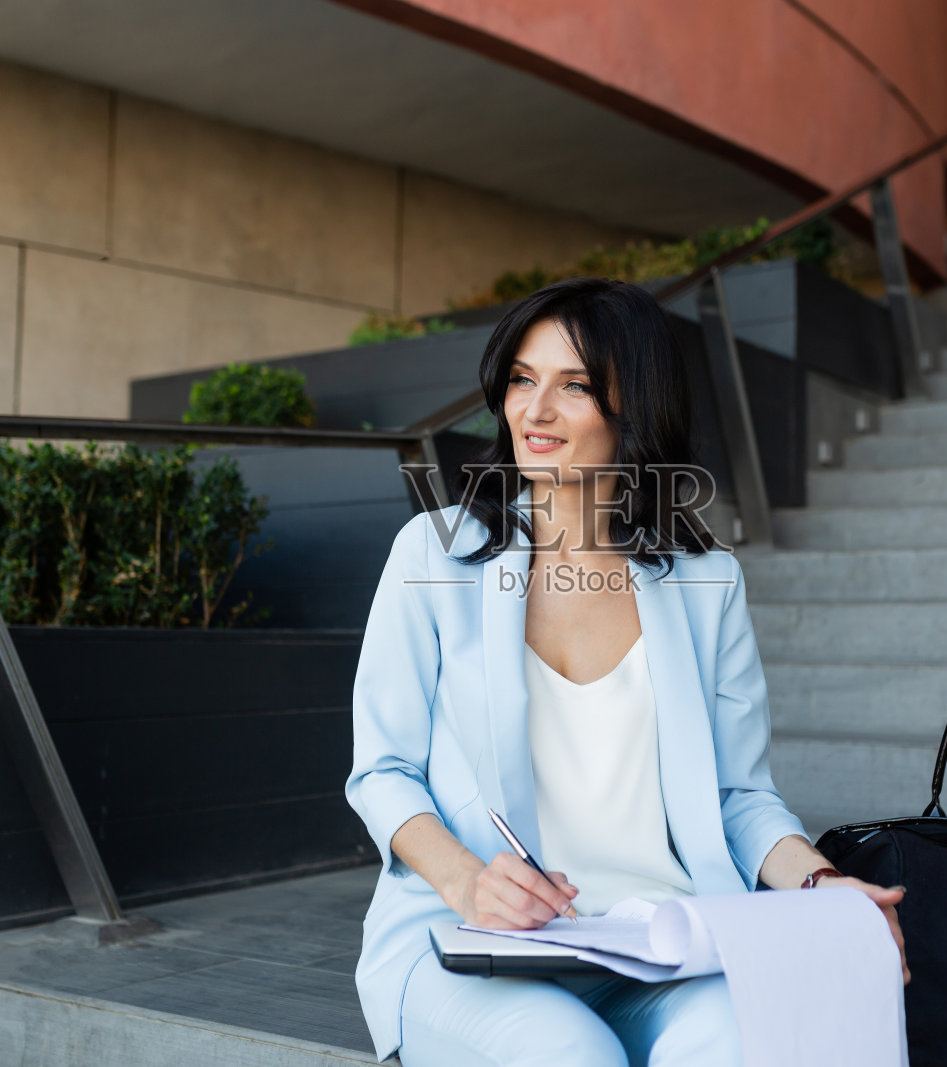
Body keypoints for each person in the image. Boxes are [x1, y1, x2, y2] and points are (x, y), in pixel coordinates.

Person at [345, 277, 908, 1066]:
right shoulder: (434, 554)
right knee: (570, 1055)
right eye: (521, 378)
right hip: (472, 940)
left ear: (632, 409)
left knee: (752, 1042)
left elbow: (740, 796)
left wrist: (821, 887)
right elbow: (383, 770)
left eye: (573, 385)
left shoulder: (707, 583)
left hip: (665, 942)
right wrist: (468, 879)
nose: (534, 411)